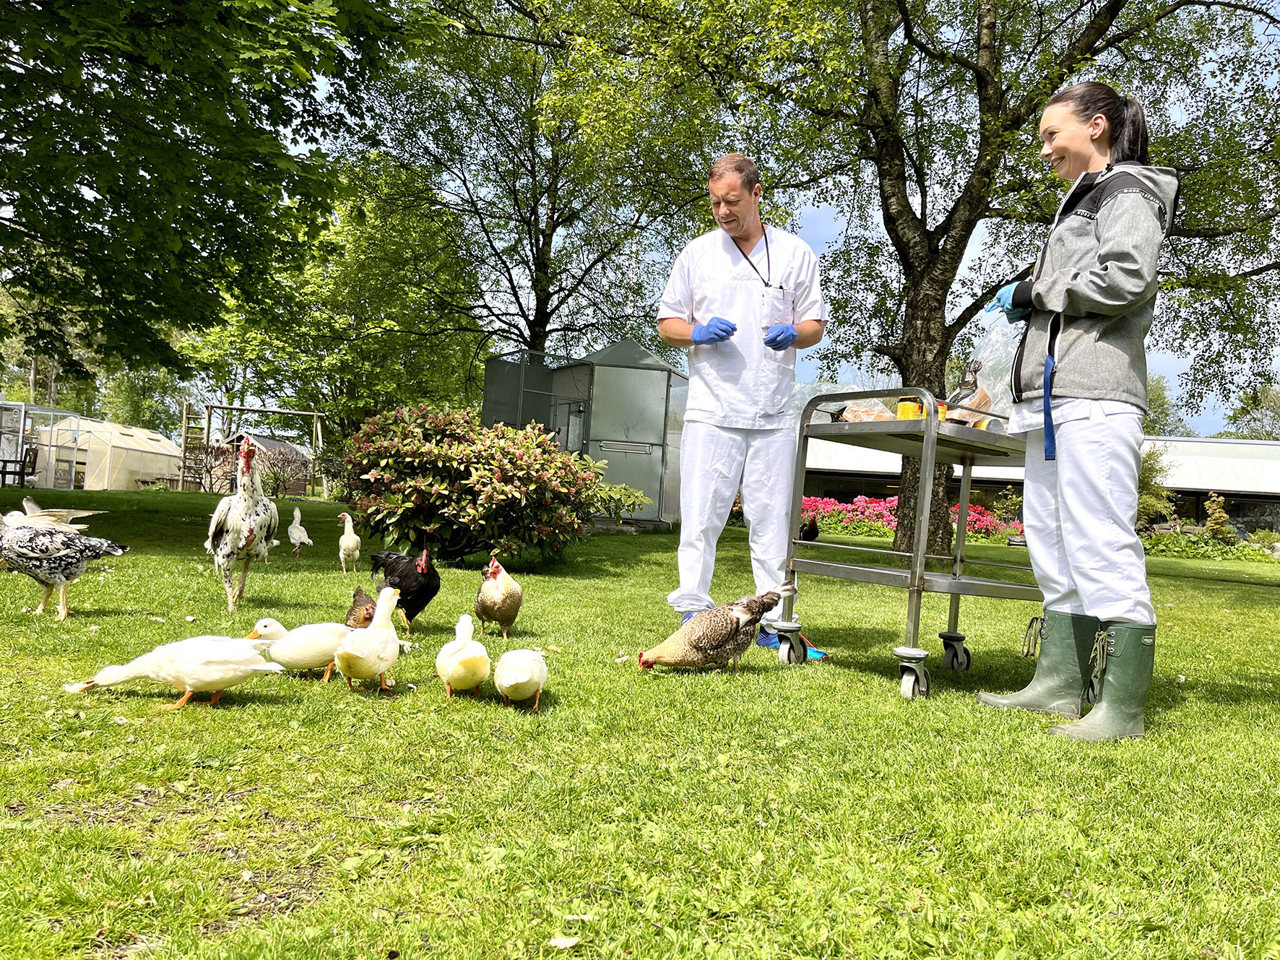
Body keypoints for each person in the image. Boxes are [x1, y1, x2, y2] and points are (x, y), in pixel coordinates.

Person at [977, 82, 1179, 740]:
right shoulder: (1082, 196)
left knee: (1101, 544)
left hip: (1095, 398)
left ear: (1095, 126)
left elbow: (1126, 276)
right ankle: (1060, 683)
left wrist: (1036, 290)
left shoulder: (1129, 192)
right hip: (1052, 402)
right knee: (1053, 543)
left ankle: (1121, 708)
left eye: (1050, 134)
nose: (1044, 149)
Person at [657, 153, 825, 651]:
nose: (723, 211)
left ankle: (772, 624)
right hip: (712, 408)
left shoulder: (795, 254)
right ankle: (693, 614)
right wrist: (698, 332)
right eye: (714, 203)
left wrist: (794, 333)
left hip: (773, 411)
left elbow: (814, 325)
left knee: (771, 523)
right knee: (702, 515)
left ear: (756, 194)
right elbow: (668, 325)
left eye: (732, 201)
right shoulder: (697, 255)